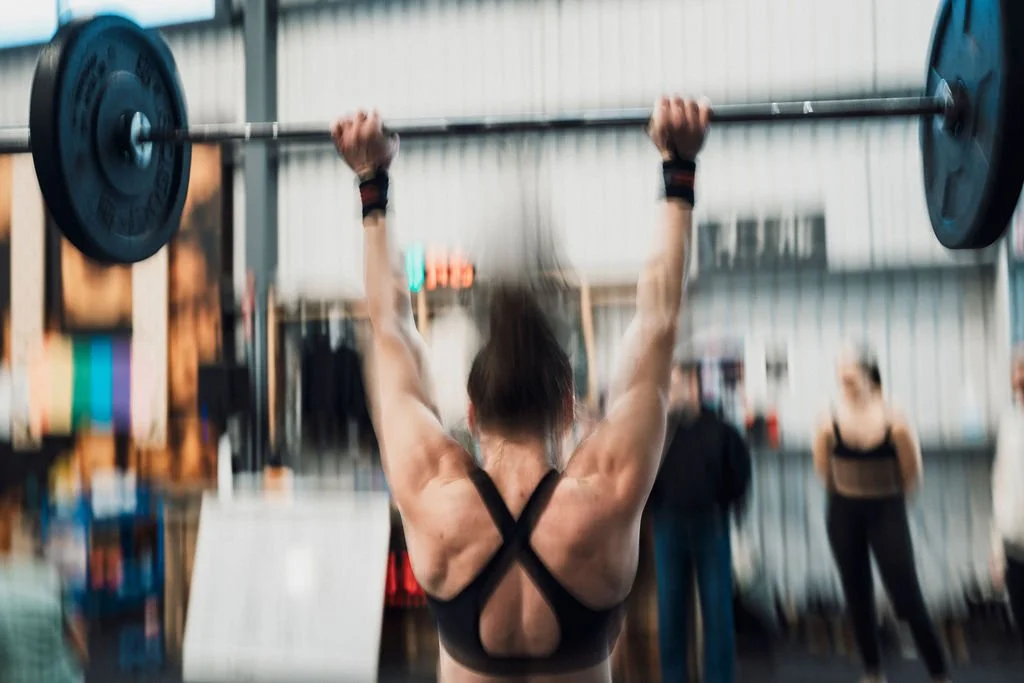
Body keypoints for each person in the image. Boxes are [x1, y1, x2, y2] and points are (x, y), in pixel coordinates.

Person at [331, 96, 709, 682]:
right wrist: (677, 171)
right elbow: (659, 320)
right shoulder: (605, 493)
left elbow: (389, 326)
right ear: (566, 405)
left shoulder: (433, 493)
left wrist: (370, 182)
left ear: (474, 412)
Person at [811, 345, 951, 683]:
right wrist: (850, 494)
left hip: (886, 509)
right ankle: (872, 672)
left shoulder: (895, 420)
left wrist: (887, 500)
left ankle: (939, 672)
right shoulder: (829, 421)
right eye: (840, 375)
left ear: (869, 376)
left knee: (905, 594)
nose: (844, 380)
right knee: (856, 594)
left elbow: (911, 473)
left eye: (851, 373)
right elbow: (823, 471)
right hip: (844, 511)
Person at [648, 360, 750, 683]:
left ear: (692, 383)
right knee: (671, 615)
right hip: (668, 527)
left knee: (718, 614)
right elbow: (645, 479)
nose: (669, 392)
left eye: (674, 383)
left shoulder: (721, 431)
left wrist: (725, 508)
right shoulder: (660, 434)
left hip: (711, 526)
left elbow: (740, 476)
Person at [991, 347, 1024, 647]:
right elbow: (1000, 484)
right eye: (1017, 369)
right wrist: (996, 549)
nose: (1020, 376)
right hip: (1014, 543)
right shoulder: (1009, 423)